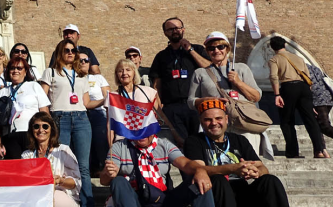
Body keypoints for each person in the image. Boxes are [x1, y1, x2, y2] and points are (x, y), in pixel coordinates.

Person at [183, 99, 325, 207]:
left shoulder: (238, 140)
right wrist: (232, 168)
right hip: (217, 203)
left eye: (218, 118)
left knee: (270, 181)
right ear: (201, 122)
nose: (214, 123)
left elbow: (262, 167)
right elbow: (198, 170)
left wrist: (255, 173)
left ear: (226, 119)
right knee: (217, 179)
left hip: (243, 201)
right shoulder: (194, 141)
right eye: (208, 119)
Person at [100, 127, 235, 207]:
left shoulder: (164, 144)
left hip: (164, 202)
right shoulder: (119, 147)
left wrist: (200, 170)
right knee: (118, 181)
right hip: (137, 206)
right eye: (136, 130)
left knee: (199, 179)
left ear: (153, 129)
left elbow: (186, 164)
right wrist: (108, 173)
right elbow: (104, 180)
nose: (141, 134)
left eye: (145, 130)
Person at [41, 38, 93, 207]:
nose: (70, 53)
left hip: (81, 118)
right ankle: (63, 204)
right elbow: (43, 98)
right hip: (59, 117)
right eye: (66, 50)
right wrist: (48, 119)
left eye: (73, 50)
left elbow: (86, 102)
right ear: (59, 53)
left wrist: (107, 99)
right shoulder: (50, 72)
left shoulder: (81, 75)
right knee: (60, 164)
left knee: (83, 166)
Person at [149, 17, 211, 147]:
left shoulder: (198, 50)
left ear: (183, 30)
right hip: (172, 108)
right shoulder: (161, 57)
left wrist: (190, 50)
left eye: (177, 28)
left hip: (196, 105)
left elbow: (210, 69)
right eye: (170, 29)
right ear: (165, 33)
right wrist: (159, 110)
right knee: (181, 146)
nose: (175, 31)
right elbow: (156, 86)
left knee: (202, 144)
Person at [187, 32, 263, 138]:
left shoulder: (242, 68)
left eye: (220, 46)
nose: (216, 50)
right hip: (215, 126)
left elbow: (256, 97)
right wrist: (209, 100)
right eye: (211, 48)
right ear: (207, 52)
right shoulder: (200, 73)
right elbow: (191, 101)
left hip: (244, 124)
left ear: (227, 49)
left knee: (246, 154)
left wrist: (238, 83)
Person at [269, 36, 328, 159]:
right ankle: (319, 150)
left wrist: (277, 95)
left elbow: (274, 77)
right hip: (304, 88)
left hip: (288, 87)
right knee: (311, 120)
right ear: (285, 45)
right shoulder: (299, 58)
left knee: (287, 121)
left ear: (272, 47)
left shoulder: (275, 59)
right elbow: (308, 77)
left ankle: (293, 152)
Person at [21, 112, 81, 207]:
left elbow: (75, 183)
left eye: (45, 126)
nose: (40, 130)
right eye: (36, 126)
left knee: (46, 190)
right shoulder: (26, 155)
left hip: (63, 199)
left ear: (51, 130)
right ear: (31, 130)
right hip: (35, 199)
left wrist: (60, 180)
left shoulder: (63, 151)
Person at [0, 56, 50, 159]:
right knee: (15, 169)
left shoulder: (34, 86)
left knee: (31, 167)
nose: (15, 71)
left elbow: (44, 112)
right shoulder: (3, 92)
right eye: (12, 68)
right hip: (10, 135)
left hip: (31, 133)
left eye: (19, 68)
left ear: (25, 71)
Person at [111, 58, 170, 143]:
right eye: (120, 71)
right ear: (117, 75)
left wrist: (175, 135)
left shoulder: (148, 91)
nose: (124, 73)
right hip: (123, 141)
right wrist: (111, 148)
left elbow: (160, 116)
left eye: (128, 70)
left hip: (146, 139)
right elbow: (110, 126)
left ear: (134, 72)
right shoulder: (113, 97)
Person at [78, 52, 110, 175]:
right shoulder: (73, 78)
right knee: (84, 145)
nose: (83, 62)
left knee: (101, 141)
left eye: (85, 60)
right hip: (81, 113)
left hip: (98, 112)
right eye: (80, 60)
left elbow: (107, 97)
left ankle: (103, 170)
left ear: (90, 62)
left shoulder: (98, 78)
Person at [309, 63, 333, 150]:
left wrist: (308, 104)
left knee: (324, 125)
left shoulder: (301, 69)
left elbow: (307, 86)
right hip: (329, 97)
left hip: (318, 99)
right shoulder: (314, 68)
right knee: (318, 125)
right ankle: (321, 150)